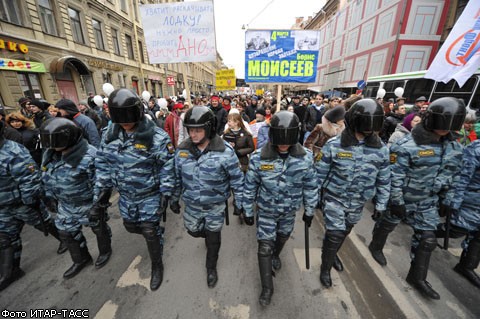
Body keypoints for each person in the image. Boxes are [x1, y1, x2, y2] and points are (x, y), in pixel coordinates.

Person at [368, 97, 466, 300]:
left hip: (427, 201)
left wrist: (449, 198)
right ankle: (375, 246)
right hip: (402, 198)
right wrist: (396, 201)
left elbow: (455, 174)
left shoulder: (454, 146)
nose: (445, 130)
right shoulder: (407, 145)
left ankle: (417, 277)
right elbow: (393, 175)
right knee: (387, 224)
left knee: (427, 240)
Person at [94, 88, 176, 291]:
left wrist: (167, 192)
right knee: (131, 226)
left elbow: (168, 165)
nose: (125, 123)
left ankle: (157, 264)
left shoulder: (155, 137)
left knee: (149, 230)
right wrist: (101, 194)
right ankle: (157, 232)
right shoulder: (108, 135)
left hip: (150, 194)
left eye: (128, 118)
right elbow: (103, 163)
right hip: (126, 195)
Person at [243, 111, 318, 306]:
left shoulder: (306, 157)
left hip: (289, 211)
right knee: (264, 247)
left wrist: (310, 210)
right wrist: (247, 210)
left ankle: (277, 253)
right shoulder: (259, 157)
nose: (284, 143)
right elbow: (250, 186)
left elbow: (311, 185)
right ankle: (267, 288)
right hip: (266, 210)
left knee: (283, 236)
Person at [316, 99, 390, 288]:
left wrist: (381, 204)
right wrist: (314, 198)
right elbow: (320, 174)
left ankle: (332, 255)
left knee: (345, 231)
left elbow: (384, 178)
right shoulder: (335, 145)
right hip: (335, 198)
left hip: (358, 201)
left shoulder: (381, 149)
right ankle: (325, 268)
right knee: (335, 232)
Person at [174, 106, 244, 288]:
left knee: (213, 238)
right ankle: (207, 235)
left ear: (209, 128)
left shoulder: (225, 151)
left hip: (215, 205)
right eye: (190, 130)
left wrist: (240, 202)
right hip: (192, 205)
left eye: (198, 130)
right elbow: (174, 175)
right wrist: (172, 197)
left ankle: (211, 267)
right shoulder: (182, 151)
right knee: (193, 230)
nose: (193, 134)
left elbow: (237, 178)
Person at [40, 118, 112, 278]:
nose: (51, 145)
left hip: (88, 204)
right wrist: (49, 197)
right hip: (65, 205)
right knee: (66, 233)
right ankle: (81, 259)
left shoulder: (90, 155)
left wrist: (97, 206)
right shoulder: (50, 154)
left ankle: (105, 251)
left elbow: (103, 183)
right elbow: (45, 174)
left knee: (99, 229)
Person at [0, 120, 65, 291]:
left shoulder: (12, 152)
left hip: (21, 203)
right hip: (3, 206)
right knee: (5, 237)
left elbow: (29, 178)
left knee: (45, 222)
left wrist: (31, 200)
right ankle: (11, 271)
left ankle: (67, 240)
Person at [436, 140, 480, 288]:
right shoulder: (476, 149)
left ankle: (466, 266)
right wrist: (454, 201)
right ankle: (423, 232)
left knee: (478, 237)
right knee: (456, 230)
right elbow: (462, 176)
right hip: (471, 200)